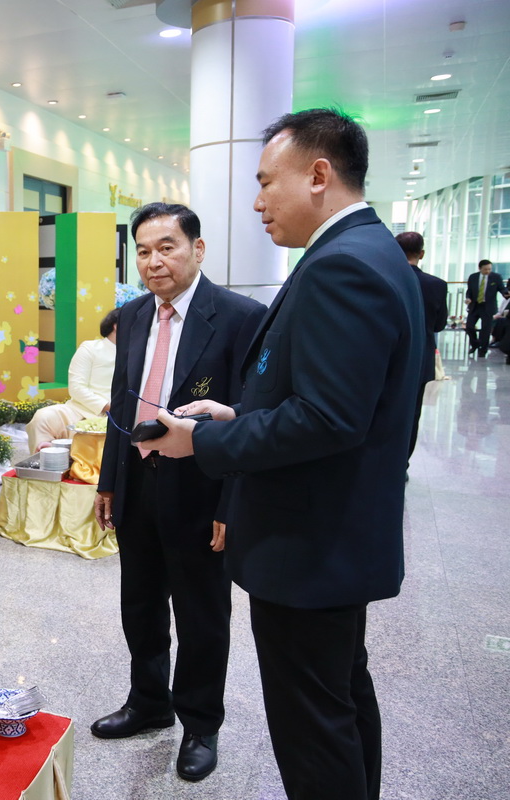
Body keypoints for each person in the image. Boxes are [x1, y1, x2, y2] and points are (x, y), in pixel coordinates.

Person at [151, 108, 425, 800]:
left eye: (266, 182)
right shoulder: (371, 252)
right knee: (340, 702)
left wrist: (202, 439)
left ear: (319, 175)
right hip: (334, 540)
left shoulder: (342, 267)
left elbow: (328, 419)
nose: (257, 201)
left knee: (314, 731)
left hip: (311, 546)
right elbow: (337, 401)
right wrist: (240, 414)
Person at [89, 203, 264, 782]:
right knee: (139, 602)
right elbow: (122, 400)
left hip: (202, 483)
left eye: (167, 247)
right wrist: (109, 480)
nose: (154, 261)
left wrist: (231, 503)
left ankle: (200, 723)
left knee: (201, 612)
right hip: (138, 479)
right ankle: (149, 702)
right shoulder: (134, 314)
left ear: (198, 249)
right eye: (143, 251)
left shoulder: (240, 317)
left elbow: (250, 415)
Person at [26, 308, 120, 453]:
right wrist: (107, 406)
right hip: (80, 409)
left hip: (118, 415)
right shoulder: (90, 348)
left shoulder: (137, 354)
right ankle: (46, 459)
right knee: (43, 417)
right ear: (116, 325)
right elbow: (77, 388)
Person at [396, 231, 447, 465]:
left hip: (387, 356)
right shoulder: (437, 285)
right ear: (422, 253)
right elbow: (439, 324)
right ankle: (402, 464)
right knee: (412, 413)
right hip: (420, 357)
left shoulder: (384, 278)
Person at [464, 259, 505, 357]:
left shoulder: (496, 277)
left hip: (488, 307)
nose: (488, 271)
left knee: (486, 329)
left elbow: (502, 288)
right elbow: (469, 291)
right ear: (480, 268)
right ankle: (475, 344)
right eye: (485, 269)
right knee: (469, 327)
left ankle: (483, 350)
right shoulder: (473, 277)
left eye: (489, 269)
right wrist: (468, 298)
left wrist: (506, 293)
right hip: (475, 306)